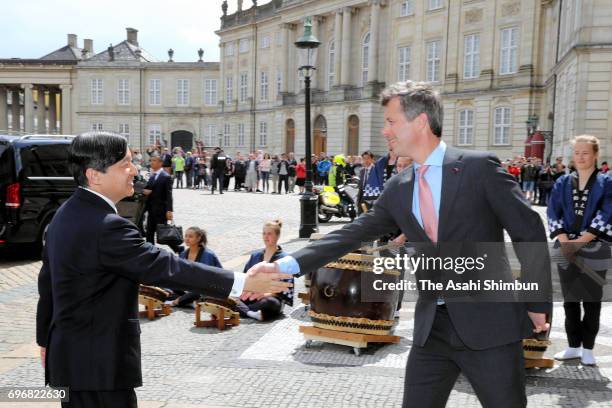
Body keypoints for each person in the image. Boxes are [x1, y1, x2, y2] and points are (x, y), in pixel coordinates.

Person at [251, 81, 552, 408]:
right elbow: (351, 233)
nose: (384, 131)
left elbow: (530, 230)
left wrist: (536, 303)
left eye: (391, 122)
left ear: (420, 121)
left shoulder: (479, 168)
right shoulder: (399, 187)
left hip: (489, 327)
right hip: (431, 332)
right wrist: (284, 266)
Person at [36, 131, 292, 408]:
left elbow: (47, 284)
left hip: (71, 359)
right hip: (101, 368)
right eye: (125, 164)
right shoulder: (107, 225)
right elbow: (167, 267)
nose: (134, 169)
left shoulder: (65, 214)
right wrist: (241, 282)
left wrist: (45, 340)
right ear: (94, 175)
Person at [547, 134, 611, 366]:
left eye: (585, 153)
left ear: (595, 155)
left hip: (596, 246)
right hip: (566, 247)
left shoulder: (607, 182)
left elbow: (607, 214)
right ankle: (573, 345)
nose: (581, 157)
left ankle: (588, 348)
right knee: (570, 300)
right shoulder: (562, 182)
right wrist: (565, 241)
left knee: (592, 300)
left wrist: (581, 241)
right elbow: (553, 213)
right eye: (577, 153)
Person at [235, 220, 293, 321]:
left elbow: (286, 288)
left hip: (271, 298)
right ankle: (251, 313)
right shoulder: (255, 256)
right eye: (264, 233)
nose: (266, 237)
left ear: (277, 236)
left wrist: (265, 294)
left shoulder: (285, 259)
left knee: (268, 304)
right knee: (229, 297)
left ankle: (243, 311)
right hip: (252, 297)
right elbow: (245, 277)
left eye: (269, 234)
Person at [167, 227, 223, 307]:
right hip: (189, 287)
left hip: (207, 287)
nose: (187, 239)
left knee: (198, 291)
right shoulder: (183, 254)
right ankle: (187, 300)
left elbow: (211, 278)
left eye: (190, 236)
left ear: (198, 238)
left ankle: (178, 301)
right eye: (186, 236)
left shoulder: (208, 255)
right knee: (168, 284)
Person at [143, 154, 173, 245]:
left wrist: (169, 210)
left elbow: (169, 195)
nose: (151, 162)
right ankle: (150, 250)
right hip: (151, 209)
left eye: (154, 161)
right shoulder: (152, 176)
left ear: (160, 163)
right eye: (151, 160)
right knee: (149, 232)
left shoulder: (166, 176)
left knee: (163, 232)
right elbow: (147, 189)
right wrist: (143, 190)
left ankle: (178, 248)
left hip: (161, 210)